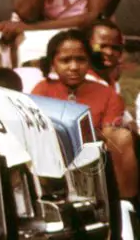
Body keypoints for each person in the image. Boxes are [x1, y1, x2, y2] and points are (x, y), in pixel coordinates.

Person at [31, 29, 137, 201]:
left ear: (89, 61)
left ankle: (125, 205)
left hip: (95, 162)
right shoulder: (42, 90)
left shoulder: (107, 94)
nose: (74, 67)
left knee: (122, 136)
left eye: (80, 59)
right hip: (52, 158)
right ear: (53, 63)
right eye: (65, 60)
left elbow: (111, 135)